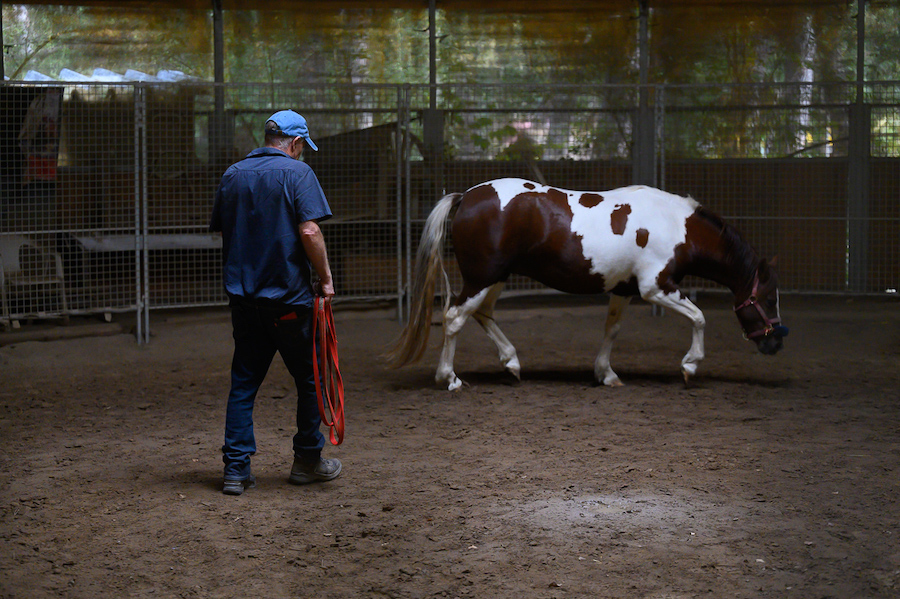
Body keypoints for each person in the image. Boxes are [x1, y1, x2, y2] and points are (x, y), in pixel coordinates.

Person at [210, 109, 342, 496]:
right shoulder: (298, 173)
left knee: (243, 384)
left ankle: (235, 470)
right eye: (303, 147)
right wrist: (326, 279)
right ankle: (306, 462)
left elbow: (227, 230)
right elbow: (309, 229)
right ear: (296, 143)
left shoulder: (233, 174)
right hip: (289, 302)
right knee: (310, 381)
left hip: (245, 302)